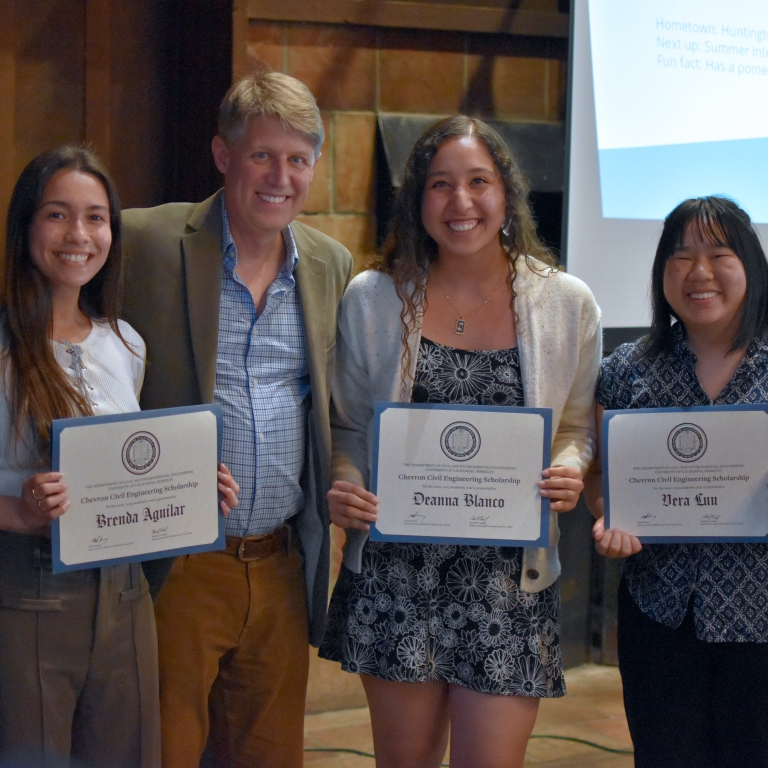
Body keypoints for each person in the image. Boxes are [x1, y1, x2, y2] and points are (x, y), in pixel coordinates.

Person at [318, 116, 601, 768]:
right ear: (418, 199)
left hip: (509, 582)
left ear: (507, 194)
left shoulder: (566, 303)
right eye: (441, 185)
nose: (461, 201)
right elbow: (350, 428)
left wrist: (568, 467)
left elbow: (575, 429)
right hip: (396, 576)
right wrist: (349, 481)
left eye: (479, 182)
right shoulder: (373, 298)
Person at [120, 69, 354, 768]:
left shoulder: (329, 264)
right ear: (224, 156)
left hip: (282, 563)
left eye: (298, 160)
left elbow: (335, 409)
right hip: (177, 566)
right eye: (262, 155)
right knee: (161, 753)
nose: (280, 177)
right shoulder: (144, 241)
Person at [586, 196, 768, 768]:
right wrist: (607, 517)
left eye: (719, 254)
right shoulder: (623, 370)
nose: (699, 273)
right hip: (661, 613)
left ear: (752, 267)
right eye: (680, 256)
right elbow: (599, 478)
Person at [0, 146, 159, 766]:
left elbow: (136, 467)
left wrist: (193, 488)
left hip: (125, 597)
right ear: (25, 227)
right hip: (28, 594)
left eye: (96, 218)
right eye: (58, 215)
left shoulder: (126, 343)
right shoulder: (7, 350)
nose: (79, 235)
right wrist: (21, 512)